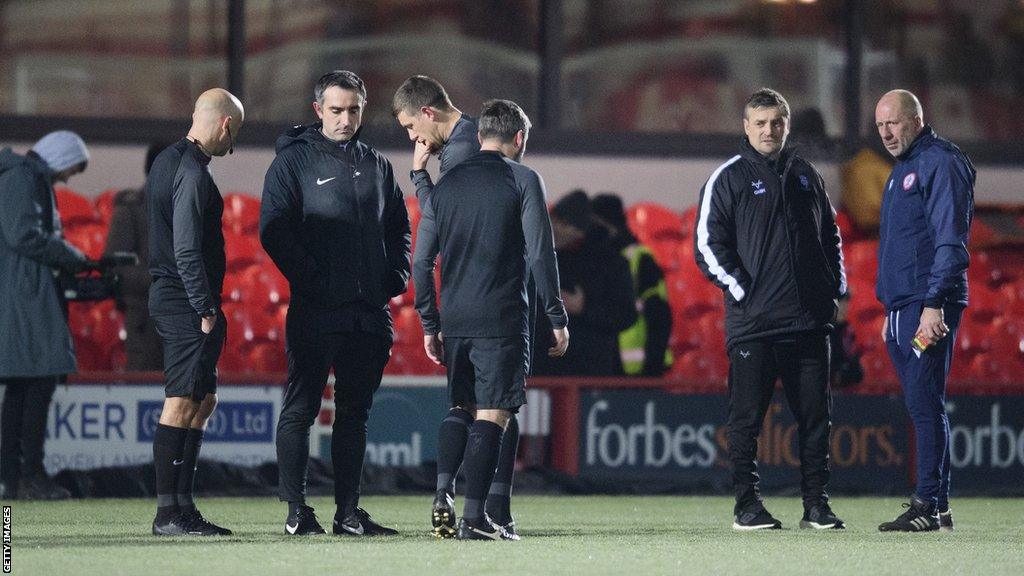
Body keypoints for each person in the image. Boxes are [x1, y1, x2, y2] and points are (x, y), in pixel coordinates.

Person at [261, 70, 410, 537]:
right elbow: (274, 232)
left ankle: (348, 513)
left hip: (369, 314)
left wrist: (396, 275)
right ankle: (295, 511)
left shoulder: (379, 165)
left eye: (354, 110)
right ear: (317, 111)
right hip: (317, 311)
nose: (345, 119)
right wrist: (316, 281)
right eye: (336, 110)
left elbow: (400, 229)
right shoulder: (292, 164)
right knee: (301, 408)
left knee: (354, 415)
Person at [413, 99, 568, 541]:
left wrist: (429, 321)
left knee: (460, 407)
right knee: (494, 414)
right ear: (519, 139)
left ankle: (443, 490)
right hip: (500, 316)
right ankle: (475, 518)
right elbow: (541, 252)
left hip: (455, 317)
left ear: (479, 136)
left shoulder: (447, 184)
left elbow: (422, 261)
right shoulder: (523, 178)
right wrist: (555, 315)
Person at [694, 88, 847, 531]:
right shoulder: (728, 177)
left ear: (787, 125)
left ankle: (816, 506)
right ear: (745, 127)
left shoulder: (807, 175)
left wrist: (832, 290)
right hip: (754, 325)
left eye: (776, 122)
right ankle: (747, 506)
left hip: (809, 324)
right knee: (745, 422)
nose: (768, 130)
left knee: (817, 420)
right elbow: (706, 245)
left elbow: (830, 236)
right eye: (759, 123)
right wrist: (744, 291)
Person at [393, 76, 522, 538]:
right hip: (493, 301)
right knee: (496, 407)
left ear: (428, 112)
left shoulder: (464, 152)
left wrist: (418, 179)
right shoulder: (466, 145)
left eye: (411, 126)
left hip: (473, 297)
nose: (413, 139)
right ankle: (491, 511)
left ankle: (467, 501)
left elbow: (440, 223)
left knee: (479, 406)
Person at [874, 89, 975, 533]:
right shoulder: (901, 170)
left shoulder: (941, 162)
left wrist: (933, 304)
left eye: (893, 123)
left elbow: (950, 242)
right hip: (905, 307)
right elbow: (904, 244)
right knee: (923, 403)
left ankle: (927, 505)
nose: (886, 133)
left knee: (923, 404)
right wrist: (892, 308)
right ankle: (940, 504)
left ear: (916, 119)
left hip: (927, 305)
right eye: (880, 126)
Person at [146, 88, 243, 536]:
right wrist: (205, 307)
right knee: (182, 401)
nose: (233, 143)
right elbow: (186, 247)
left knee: (203, 400)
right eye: (235, 133)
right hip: (186, 301)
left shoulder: (168, 160)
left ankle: (183, 507)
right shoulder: (191, 171)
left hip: (180, 297)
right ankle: (169, 514)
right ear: (225, 124)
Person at [0, 131, 90, 501]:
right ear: (60, 156)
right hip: (26, 294)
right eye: (71, 168)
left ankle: (14, 476)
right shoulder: (24, 178)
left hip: (24, 291)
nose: (69, 178)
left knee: (24, 386)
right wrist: (73, 257)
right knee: (38, 382)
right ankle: (29, 474)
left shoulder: (24, 176)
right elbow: (24, 235)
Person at [531, 190, 636, 377]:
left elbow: (625, 314)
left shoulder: (609, 263)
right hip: (541, 371)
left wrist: (583, 308)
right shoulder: (529, 257)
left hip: (589, 372)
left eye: (564, 225)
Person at [591, 192, 673, 377]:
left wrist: (652, 368)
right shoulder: (598, 259)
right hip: (607, 369)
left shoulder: (640, 258)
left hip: (640, 372)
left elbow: (659, 316)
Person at [103, 143, 167, 371]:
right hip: (145, 319)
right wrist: (161, 281)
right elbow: (116, 267)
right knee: (146, 392)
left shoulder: (191, 208)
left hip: (184, 320)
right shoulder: (131, 209)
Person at [392, 75, 478, 198]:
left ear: (428, 113)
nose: (412, 136)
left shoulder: (459, 150)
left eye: (411, 126)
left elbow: (436, 216)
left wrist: (419, 171)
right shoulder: (472, 129)